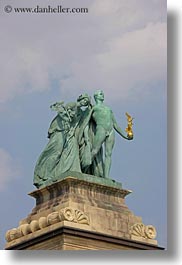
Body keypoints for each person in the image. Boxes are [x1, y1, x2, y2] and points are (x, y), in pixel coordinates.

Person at [89, 90, 133, 179]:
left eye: (102, 93)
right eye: (100, 94)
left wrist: (125, 136)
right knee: (94, 151)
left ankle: (106, 177)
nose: (103, 95)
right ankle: (83, 168)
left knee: (108, 154)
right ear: (96, 96)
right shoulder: (94, 108)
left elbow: (115, 124)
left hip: (111, 131)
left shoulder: (108, 109)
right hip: (101, 129)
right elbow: (85, 121)